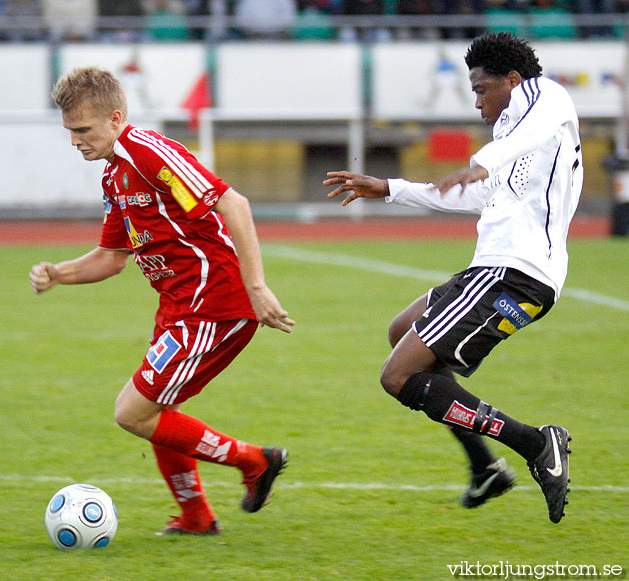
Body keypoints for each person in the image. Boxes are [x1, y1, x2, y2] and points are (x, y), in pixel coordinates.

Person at [324, 32, 580, 523]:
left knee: (398, 377)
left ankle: (534, 442)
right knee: (402, 332)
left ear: (513, 79)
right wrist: (389, 189)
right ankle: (485, 469)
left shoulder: (545, 100)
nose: (478, 102)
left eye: (483, 90)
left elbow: (508, 151)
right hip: (495, 271)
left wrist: (479, 165)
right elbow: (480, 196)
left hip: (515, 274)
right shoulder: (513, 134)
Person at [30, 66, 294, 535]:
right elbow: (112, 258)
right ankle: (195, 516)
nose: (75, 141)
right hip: (179, 307)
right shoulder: (114, 174)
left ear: (115, 118)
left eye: (82, 130)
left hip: (216, 303)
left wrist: (257, 287)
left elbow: (235, 204)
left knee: (132, 411)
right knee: (155, 411)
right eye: (69, 131)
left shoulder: (149, 153)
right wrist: (59, 274)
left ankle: (255, 462)